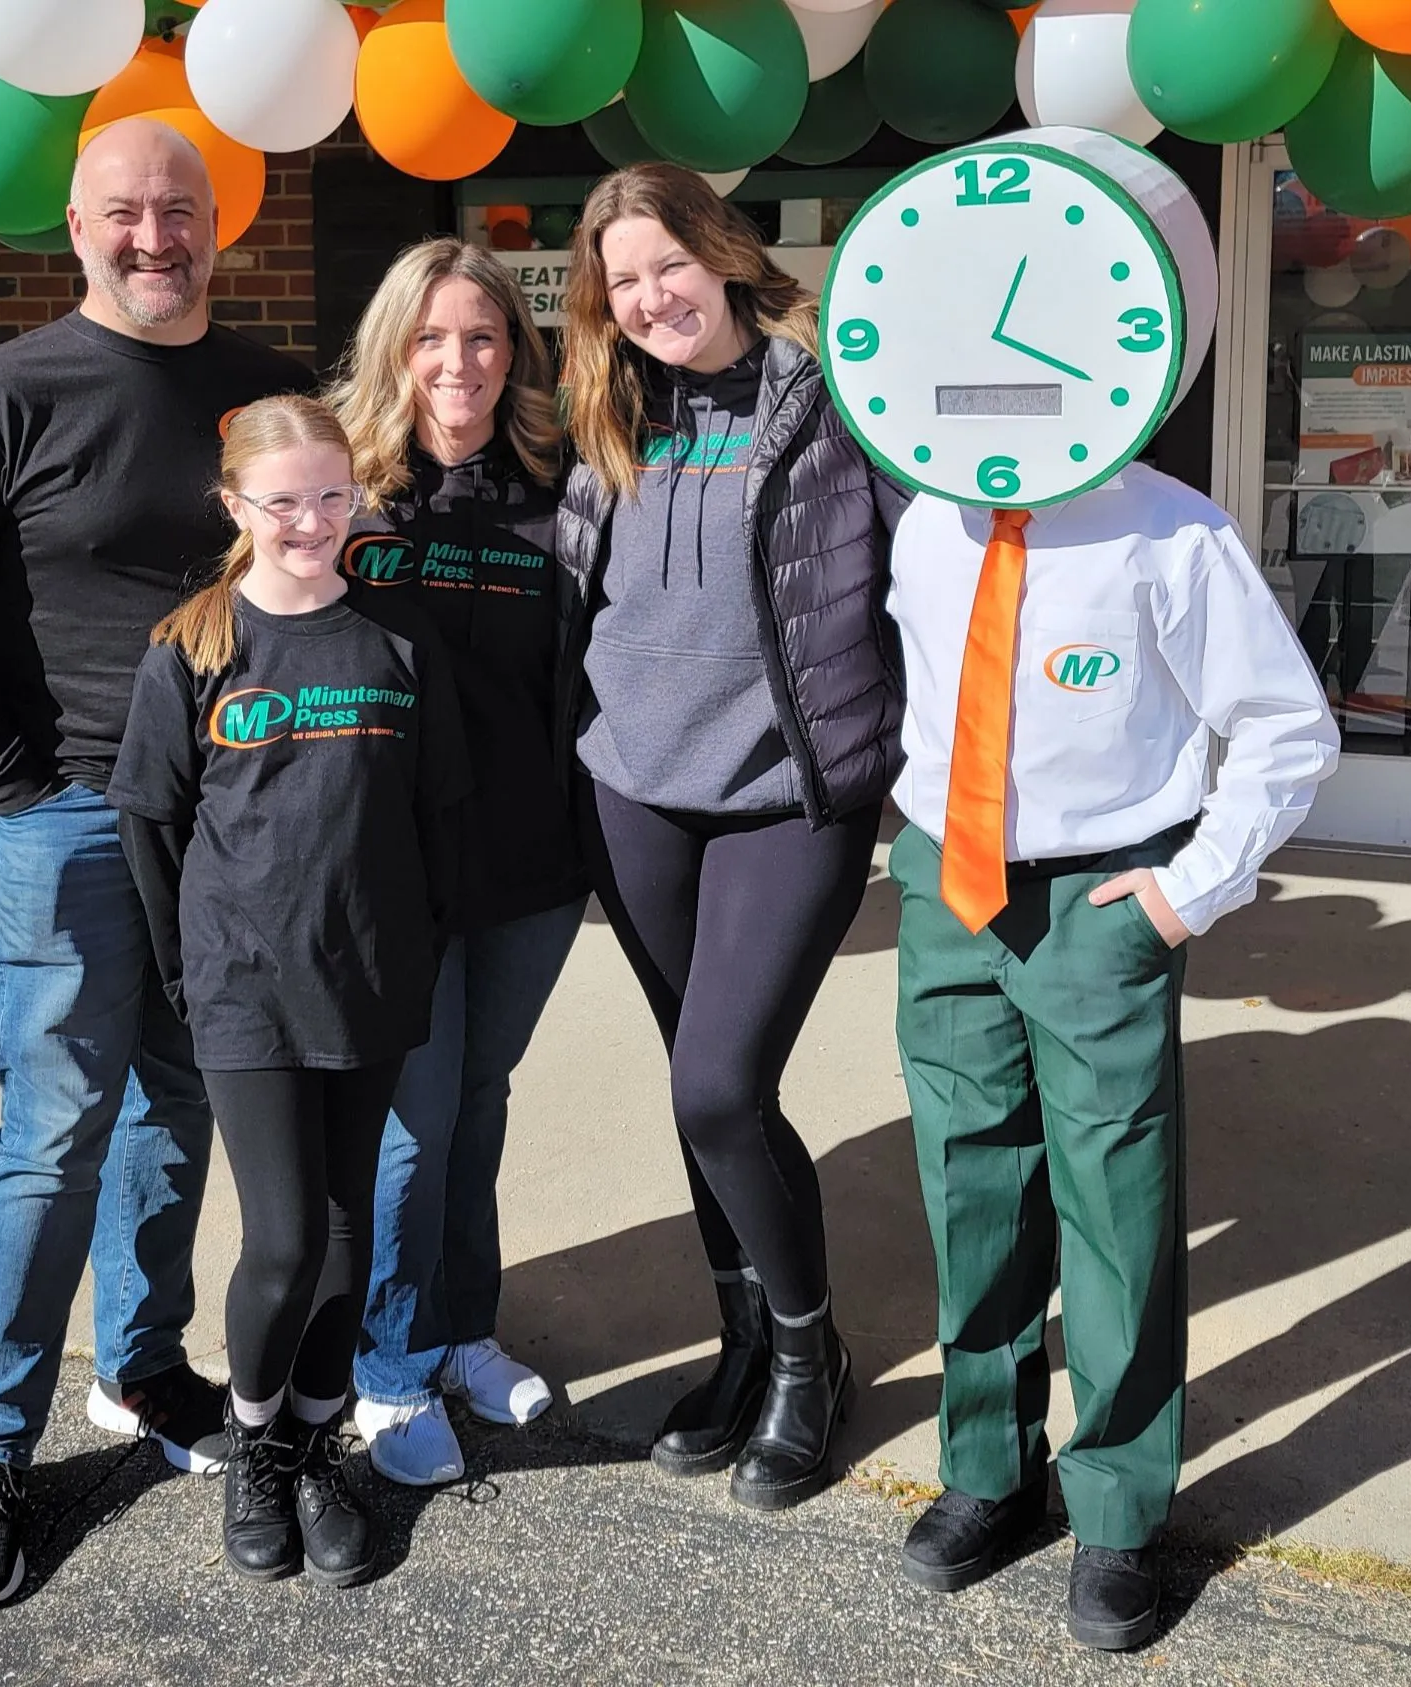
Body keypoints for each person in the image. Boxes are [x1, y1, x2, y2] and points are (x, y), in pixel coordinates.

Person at [0, 119, 311, 1614]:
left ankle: (140, 1362)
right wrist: (19, 781)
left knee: (180, 1099)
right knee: (54, 1125)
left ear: (214, 223)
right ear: (76, 225)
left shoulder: (266, 391)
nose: (154, 235)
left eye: (178, 210)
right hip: (67, 818)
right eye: (126, 212)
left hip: (230, 821)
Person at [885, 474, 1340, 1653]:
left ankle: (1119, 1509)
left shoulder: (1171, 530)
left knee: (1114, 1202)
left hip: (1101, 895)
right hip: (949, 886)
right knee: (970, 1187)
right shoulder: (930, 515)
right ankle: (989, 1468)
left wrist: (1189, 892)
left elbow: (1289, 723)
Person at [554, 163, 901, 1511]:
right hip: (633, 792)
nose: (650, 299)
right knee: (715, 1099)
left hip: (786, 796)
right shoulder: (610, 406)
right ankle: (744, 1342)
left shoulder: (831, 402)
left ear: (723, 250)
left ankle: (814, 1360)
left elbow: (923, 582)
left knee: (716, 1082)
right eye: (622, 282)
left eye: (667, 266)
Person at [107, 394, 470, 1586]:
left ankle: (317, 1445)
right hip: (244, 991)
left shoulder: (401, 641)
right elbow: (152, 824)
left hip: (368, 982)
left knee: (351, 1227)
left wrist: (414, 944)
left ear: (354, 495)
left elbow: (438, 819)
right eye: (282, 501)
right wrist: (187, 972)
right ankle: (257, 1446)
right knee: (283, 1237)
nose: (310, 520)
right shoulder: (195, 648)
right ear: (234, 507)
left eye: (331, 496)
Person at [321, 239, 584, 1485]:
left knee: (480, 1105)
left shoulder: (563, 485)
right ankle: (388, 1367)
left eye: (481, 337)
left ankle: (464, 1326)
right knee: (413, 1129)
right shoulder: (351, 497)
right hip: (399, 869)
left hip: (531, 862)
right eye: (431, 337)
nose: (458, 361)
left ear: (513, 352)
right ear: (396, 350)